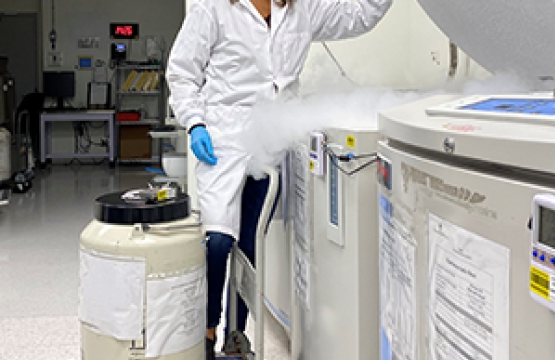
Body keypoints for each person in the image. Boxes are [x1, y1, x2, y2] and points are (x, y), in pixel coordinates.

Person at [166, 0, 392, 358]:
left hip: (272, 141)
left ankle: (236, 335)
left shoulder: (302, 9)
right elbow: (182, 71)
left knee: (250, 244)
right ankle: (207, 329)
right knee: (219, 241)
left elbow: (358, 16)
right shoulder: (213, 10)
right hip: (224, 138)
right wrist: (194, 122)